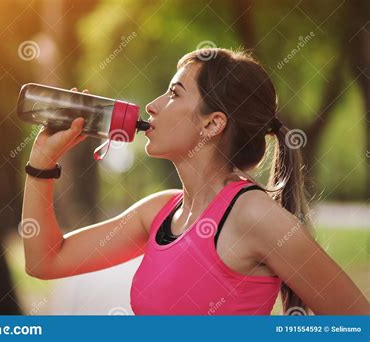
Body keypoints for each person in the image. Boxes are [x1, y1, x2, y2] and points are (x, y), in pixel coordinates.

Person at [21, 47, 369, 315]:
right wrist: (42, 161)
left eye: (174, 93)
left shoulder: (253, 217)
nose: (153, 107)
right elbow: (46, 260)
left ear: (213, 124)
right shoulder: (159, 212)